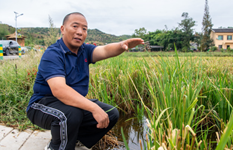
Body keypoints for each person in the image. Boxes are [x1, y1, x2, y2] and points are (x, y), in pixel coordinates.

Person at [26, 12, 144, 150]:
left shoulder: (84, 50)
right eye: (75, 26)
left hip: (70, 105)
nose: (80, 32)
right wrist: (93, 108)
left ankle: (72, 138)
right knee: (71, 114)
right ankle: (56, 147)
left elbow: (105, 50)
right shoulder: (53, 54)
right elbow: (59, 90)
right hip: (42, 105)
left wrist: (121, 45)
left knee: (111, 113)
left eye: (84, 29)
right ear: (63, 29)